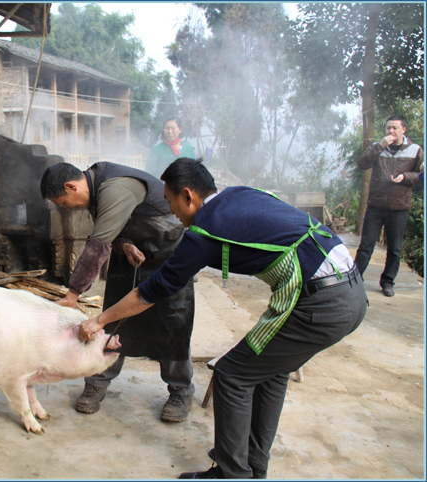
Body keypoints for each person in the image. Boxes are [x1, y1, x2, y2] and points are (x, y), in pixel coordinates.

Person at [78, 159, 368, 479]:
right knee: (271, 371)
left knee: (231, 374)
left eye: (172, 203)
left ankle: (231, 474)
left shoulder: (204, 231)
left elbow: (153, 290)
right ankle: (254, 467)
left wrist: (99, 321)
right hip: (349, 290)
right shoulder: (240, 194)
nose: (172, 212)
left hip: (321, 302)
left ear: (188, 196)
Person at [41, 161, 196, 423]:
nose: (66, 208)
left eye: (63, 201)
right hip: (133, 255)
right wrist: (124, 244)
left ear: (71, 186)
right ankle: (97, 381)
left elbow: (97, 246)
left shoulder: (114, 187)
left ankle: (181, 391)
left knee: (173, 323)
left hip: (168, 253)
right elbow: (116, 231)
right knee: (113, 320)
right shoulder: (93, 188)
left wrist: (73, 294)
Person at [354, 115, 423, 297]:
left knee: (395, 248)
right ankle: (353, 280)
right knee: (366, 245)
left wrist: (406, 177)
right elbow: (362, 163)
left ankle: (387, 282)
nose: (391, 132)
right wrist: (380, 145)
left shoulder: (415, 150)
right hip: (375, 206)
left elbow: (421, 174)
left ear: (404, 130)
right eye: (388, 128)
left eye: (394, 128)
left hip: (399, 207)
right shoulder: (379, 147)